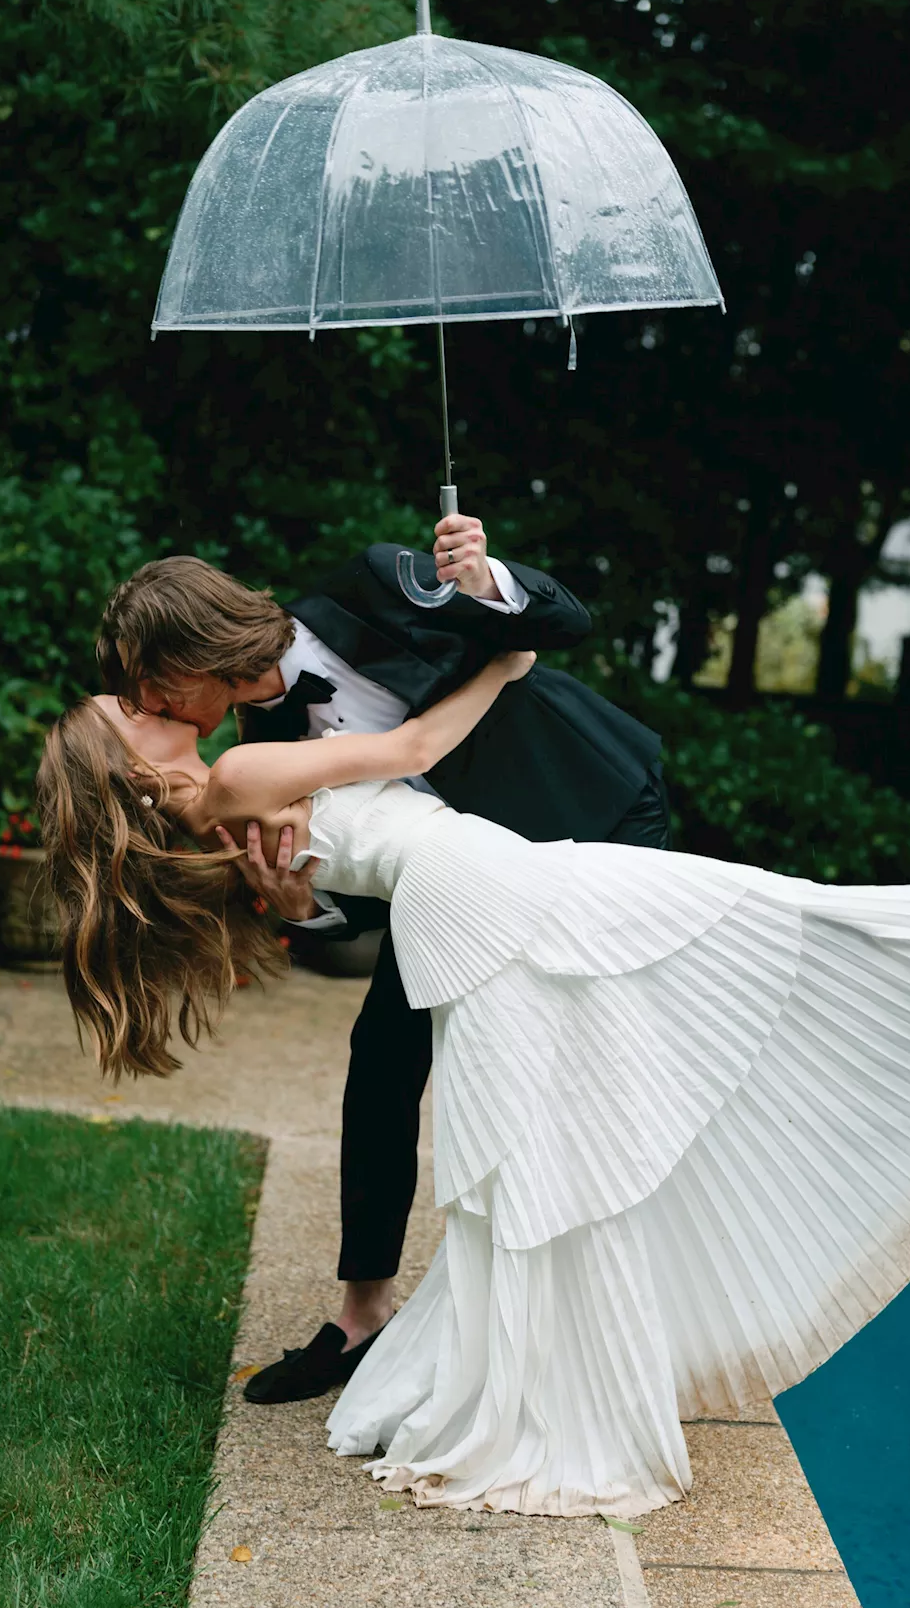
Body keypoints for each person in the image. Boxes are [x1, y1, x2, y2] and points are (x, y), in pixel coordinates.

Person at [37, 654, 910, 1519]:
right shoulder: (229, 780)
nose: (146, 697)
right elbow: (414, 746)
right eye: (128, 709)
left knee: (595, 1077)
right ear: (129, 763)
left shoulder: (217, 795)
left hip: (470, 884)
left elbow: (305, 879)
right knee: (749, 915)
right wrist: (500, 664)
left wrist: (283, 881)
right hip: (474, 881)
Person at [93, 519, 669, 1403]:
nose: (157, 713)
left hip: (589, 801)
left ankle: (604, 1311)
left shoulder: (370, 586)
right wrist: (300, 906)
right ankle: (363, 1318)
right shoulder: (250, 747)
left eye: (154, 692)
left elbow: (566, 623)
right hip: (454, 882)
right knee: (383, 1061)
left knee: (591, 1063)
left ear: (196, 655)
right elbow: (353, 885)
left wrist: (487, 585)